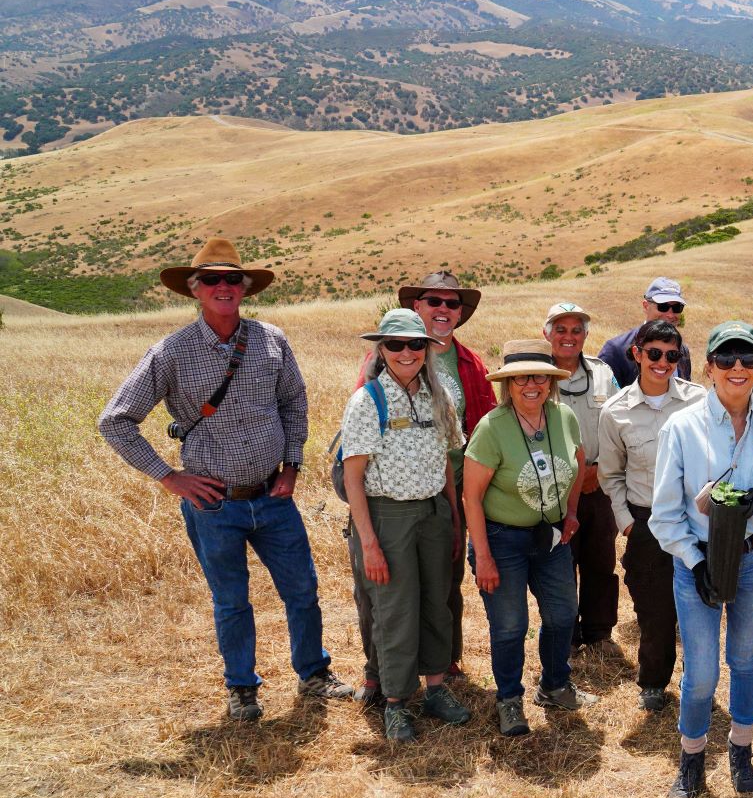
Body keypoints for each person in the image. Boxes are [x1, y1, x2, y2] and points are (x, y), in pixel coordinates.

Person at [99, 238, 354, 721]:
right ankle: (242, 688)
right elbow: (115, 420)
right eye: (212, 279)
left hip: (273, 496)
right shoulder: (170, 352)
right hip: (213, 505)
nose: (223, 287)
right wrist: (170, 477)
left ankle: (314, 675)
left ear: (245, 288)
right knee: (232, 601)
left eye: (232, 278)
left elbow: (294, 403)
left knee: (302, 591)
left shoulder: (271, 340)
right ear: (195, 290)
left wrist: (293, 466)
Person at [651, 321, 753, 798]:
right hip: (697, 560)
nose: (739, 368)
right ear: (710, 366)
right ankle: (692, 758)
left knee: (745, 658)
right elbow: (664, 514)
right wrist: (695, 564)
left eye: (749, 359)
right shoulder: (681, 427)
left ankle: (741, 752)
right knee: (701, 671)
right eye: (727, 358)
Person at [351, 270, 495, 696]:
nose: (444, 310)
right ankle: (384, 680)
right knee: (387, 598)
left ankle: (440, 674)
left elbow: (473, 436)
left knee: (439, 590)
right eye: (435, 301)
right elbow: (356, 468)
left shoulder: (462, 372)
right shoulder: (371, 389)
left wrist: (458, 509)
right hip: (389, 503)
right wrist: (368, 536)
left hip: (443, 495)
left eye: (453, 304)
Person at [339, 309, 472, 742]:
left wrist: (453, 518)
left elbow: (449, 462)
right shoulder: (367, 400)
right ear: (381, 349)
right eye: (395, 345)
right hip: (387, 516)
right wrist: (369, 543)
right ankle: (396, 701)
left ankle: (435, 688)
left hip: (434, 512)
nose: (406, 353)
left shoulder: (440, 398)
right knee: (396, 608)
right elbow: (354, 478)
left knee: (437, 601)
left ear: (427, 349)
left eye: (415, 344)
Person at [463, 340, 588, 737]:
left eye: (538, 376)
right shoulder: (492, 428)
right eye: (521, 377)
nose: (530, 384)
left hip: (550, 537)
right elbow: (472, 497)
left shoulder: (564, 417)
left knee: (563, 612)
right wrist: (482, 556)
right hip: (502, 538)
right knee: (510, 625)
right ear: (508, 384)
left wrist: (570, 514)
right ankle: (509, 700)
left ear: (550, 381)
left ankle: (554, 685)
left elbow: (578, 463)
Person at [598, 319, 707, 711]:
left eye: (672, 355)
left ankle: (700, 685)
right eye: (654, 354)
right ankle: (653, 683)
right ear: (637, 354)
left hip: (695, 519)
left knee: (700, 609)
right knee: (654, 609)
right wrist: (626, 521)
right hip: (646, 523)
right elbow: (610, 475)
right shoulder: (615, 412)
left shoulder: (700, 401)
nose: (662, 362)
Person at [543, 302, 622, 656]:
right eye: (560, 329)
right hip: (554, 486)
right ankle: (565, 632)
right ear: (547, 334)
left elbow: (621, 424)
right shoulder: (536, 373)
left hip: (599, 481)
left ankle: (599, 631)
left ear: (586, 336)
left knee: (601, 558)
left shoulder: (604, 373)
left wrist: (599, 469)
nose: (569, 337)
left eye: (577, 330)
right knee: (560, 560)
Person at [598, 276, 691, 389]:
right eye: (663, 307)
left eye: (677, 308)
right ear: (646, 306)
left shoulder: (682, 350)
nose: (670, 314)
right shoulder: (615, 350)